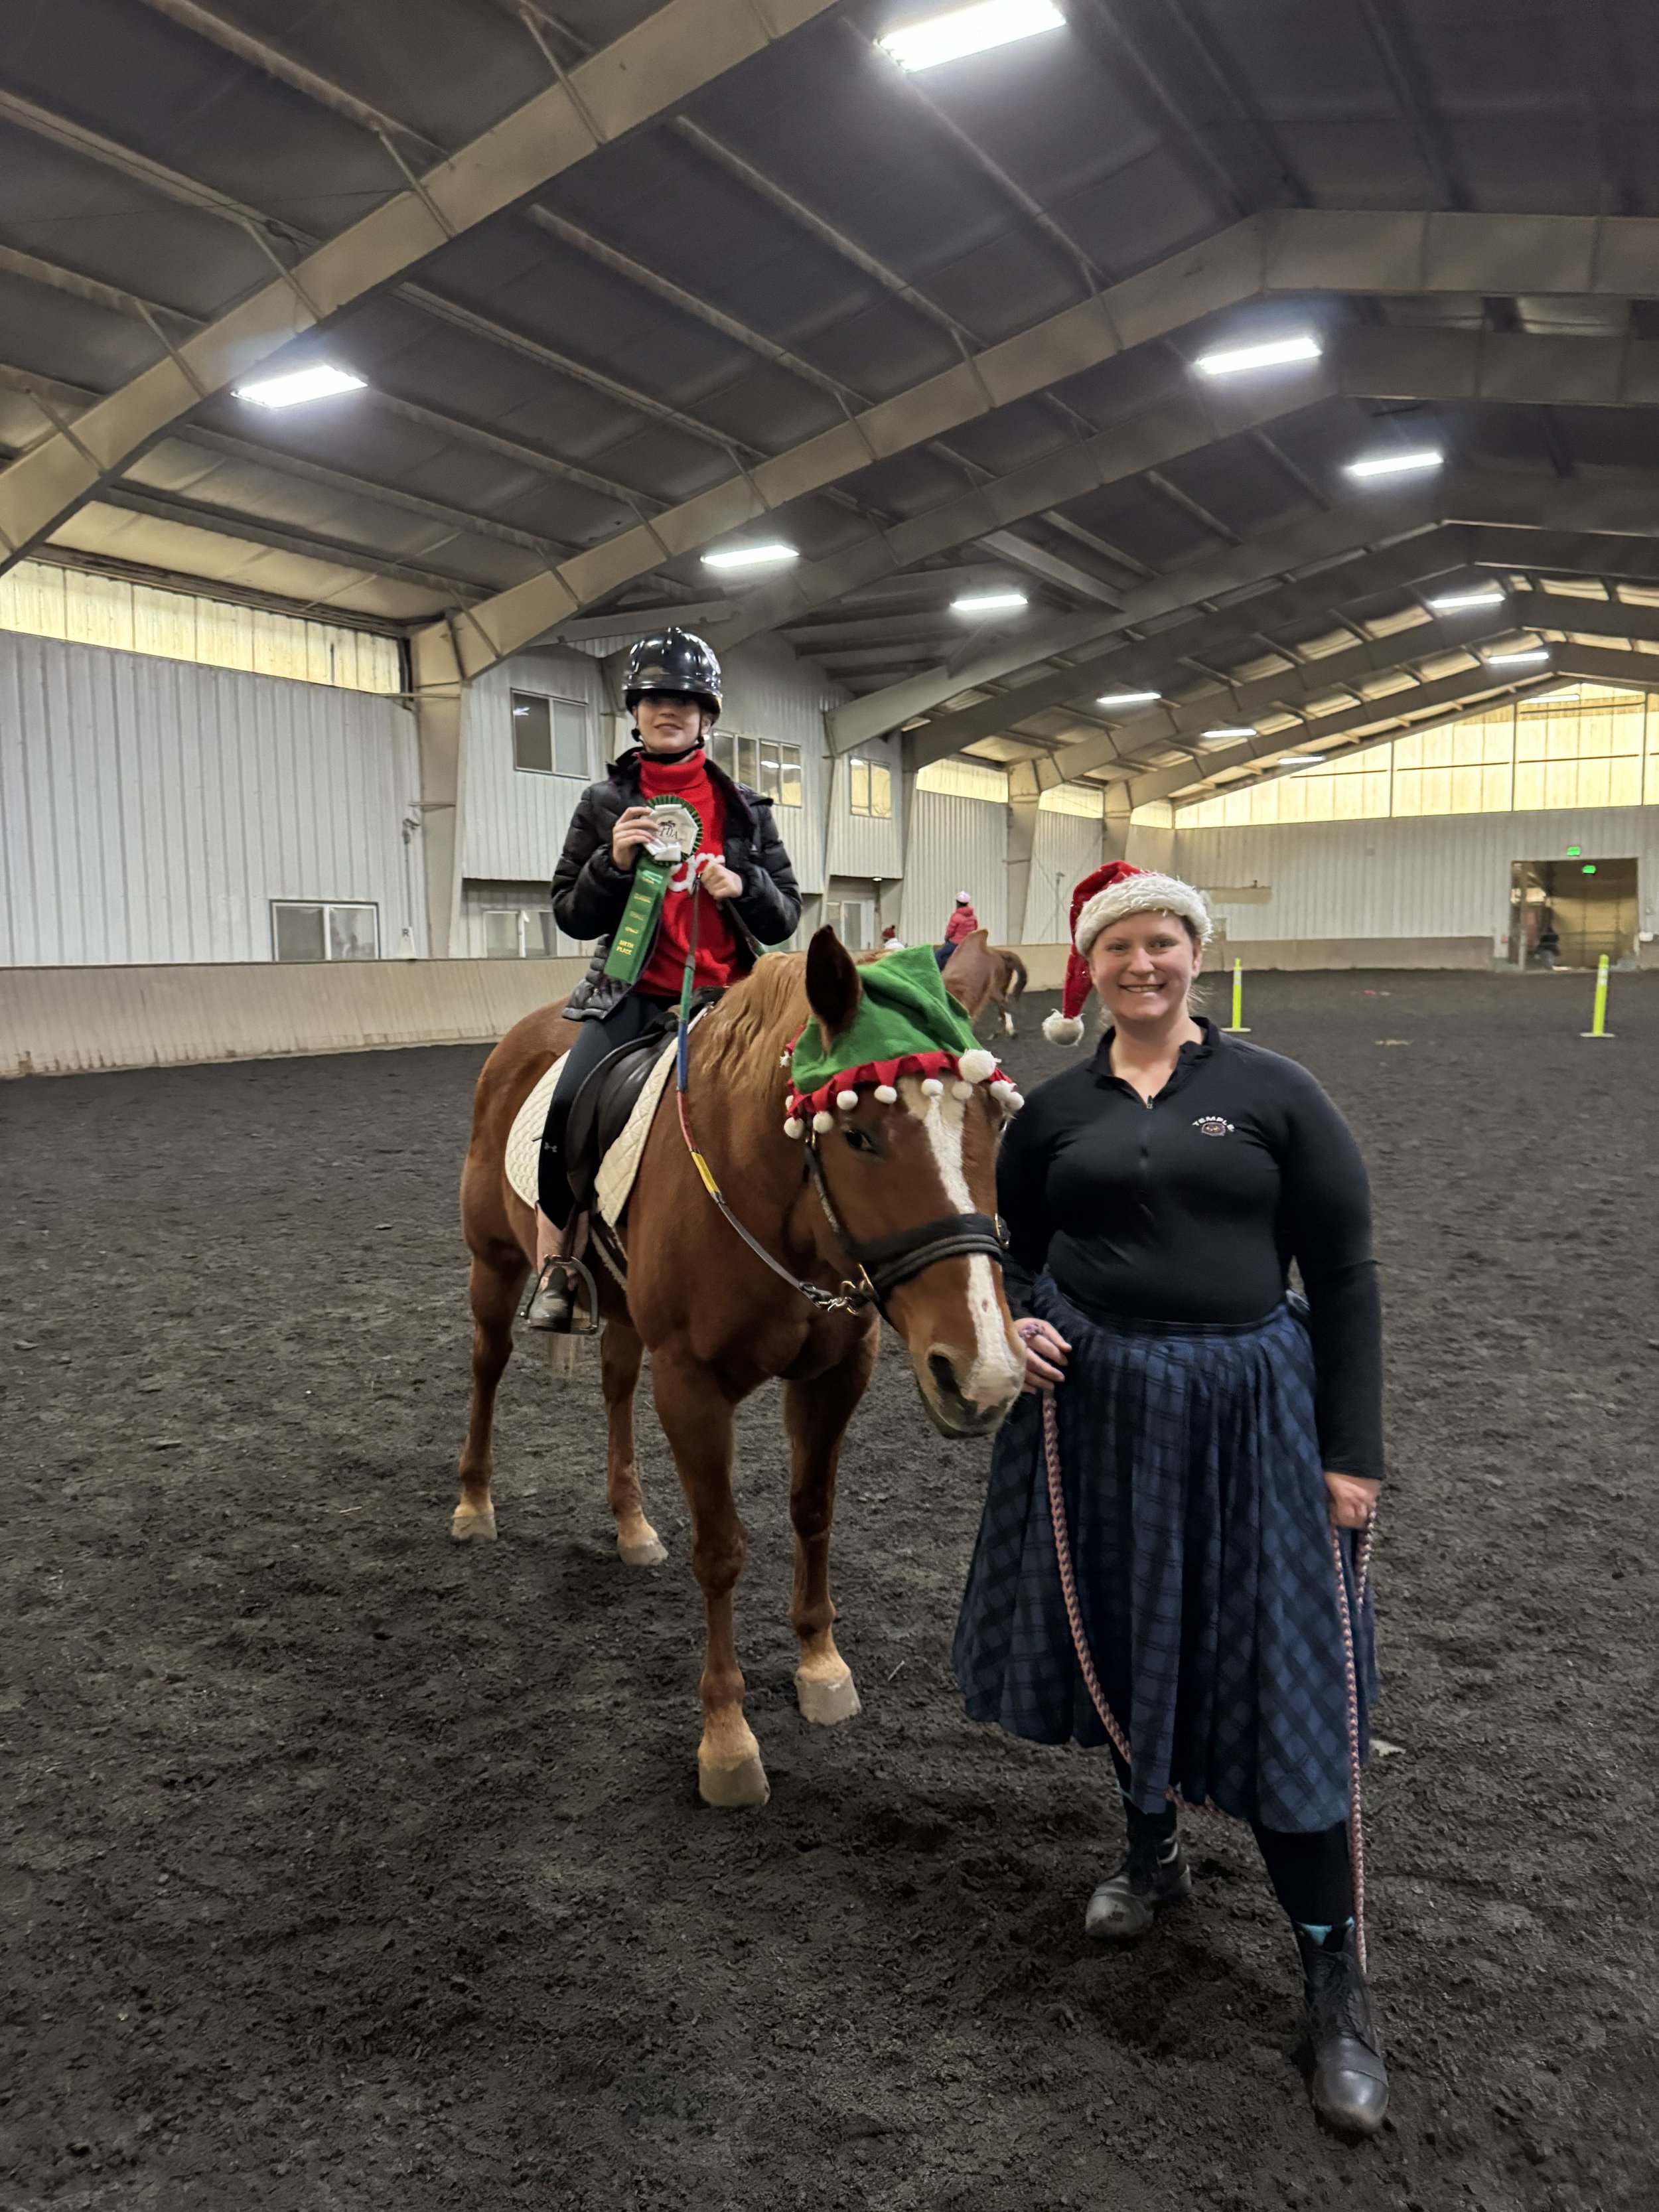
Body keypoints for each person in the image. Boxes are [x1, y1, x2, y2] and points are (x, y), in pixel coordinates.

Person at [954, 860, 1388, 2136]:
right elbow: (1016, 1247)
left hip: (1253, 1407)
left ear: (1195, 953)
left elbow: (1347, 1271)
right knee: (1130, 1630)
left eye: (1163, 942)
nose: (1142, 964)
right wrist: (1026, 1318)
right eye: (1117, 948)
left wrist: (1350, 1456)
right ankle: (1152, 1854)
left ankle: (1335, 1974)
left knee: (1278, 1677)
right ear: (1087, 967)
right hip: (1097, 1407)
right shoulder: (1053, 1110)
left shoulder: (1273, 1093)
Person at [525, 628, 802, 1329]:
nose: (667, 710)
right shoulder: (601, 804)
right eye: (652, 699)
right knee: (565, 1113)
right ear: (635, 713)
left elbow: (785, 920)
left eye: (683, 699)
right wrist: (611, 865)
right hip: (631, 993)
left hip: (733, 1000)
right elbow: (570, 914)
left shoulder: (745, 810)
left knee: (803, 1111)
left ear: (706, 715)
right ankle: (559, 1271)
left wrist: (744, 884)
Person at [936, 889, 979, 971]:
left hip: (957, 943)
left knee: (939, 955)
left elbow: (950, 932)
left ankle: (936, 975)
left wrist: (946, 938)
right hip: (969, 942)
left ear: (958, 903)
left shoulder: (956, 917)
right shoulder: (973, 917)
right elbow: (975, 929)